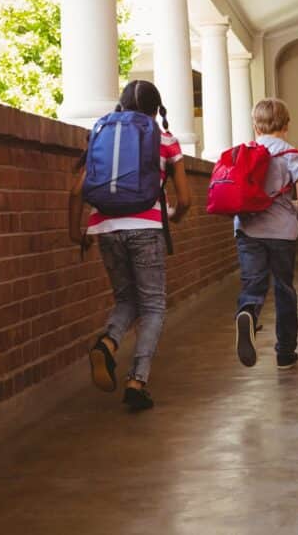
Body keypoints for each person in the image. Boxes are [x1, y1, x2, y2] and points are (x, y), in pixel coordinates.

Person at [68, 80, 192, 413]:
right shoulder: (165, 140)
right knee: (152, 306)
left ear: (121, 106)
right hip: (146, 228)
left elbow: (76, 191)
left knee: (126, 299)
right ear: (156, 110)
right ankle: (137, 381)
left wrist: (74, 232)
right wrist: (175, 216)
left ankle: (108, 343)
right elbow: (186, 199)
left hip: (105, 228)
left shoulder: (103, 136)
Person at [234, 98, 298, 370]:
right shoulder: (290, 154)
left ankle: (248, 312)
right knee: (283, 289)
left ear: (255, 126)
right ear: (286, 125)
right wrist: (292, 208)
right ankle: (285, 353)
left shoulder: (245, 152)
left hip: (248, 230)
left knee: (253, 284)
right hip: (282, 233)